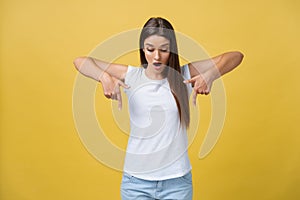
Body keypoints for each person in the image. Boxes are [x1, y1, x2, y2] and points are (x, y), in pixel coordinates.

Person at [73, 17, 243, 200]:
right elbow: (81, 61)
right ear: (142, 49)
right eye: (150, 49)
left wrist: (211, 75)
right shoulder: (131, 76)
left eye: (164, 50)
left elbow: (236, 56)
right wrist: (104, 77)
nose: (156, 56)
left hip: (177, 183)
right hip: (136, 184)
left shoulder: (184, 75)